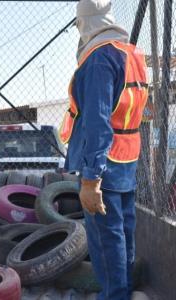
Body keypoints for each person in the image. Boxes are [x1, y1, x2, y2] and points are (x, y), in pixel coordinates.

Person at [59, 0, 148, 299]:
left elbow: (98, 121)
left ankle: (115, 295)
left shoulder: (98, 59)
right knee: (122, 234)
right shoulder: (132, 53)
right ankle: (122, 290)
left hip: (103, 163)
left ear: (84, 23)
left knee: (106, 240)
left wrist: (90, 179)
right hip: (127, 158)